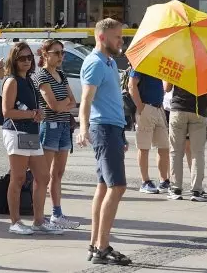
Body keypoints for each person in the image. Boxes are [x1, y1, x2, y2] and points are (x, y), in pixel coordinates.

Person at [77, 18, 132, 266]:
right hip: (104, 129)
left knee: (103, 186)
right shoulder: (96, 63)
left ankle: (95, 244)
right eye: (117, 37)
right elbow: (86, 100)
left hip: (112, 129)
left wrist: (120, 133)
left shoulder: (109, 62)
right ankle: (102, 247)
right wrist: (83, 129)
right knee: (117, 187)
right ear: (102, 37)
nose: (121, 40)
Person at [1, 42, 61, 235]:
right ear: (14, 60)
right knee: (17, 178)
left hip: (31, 132)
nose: (27, 61)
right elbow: (6, 112)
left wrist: (37, 114)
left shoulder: (30, 80)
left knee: (43, 176)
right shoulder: (12, 81)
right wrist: (32, 114)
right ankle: (15, 221)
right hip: (16, 131)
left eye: (29, 58)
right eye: (22, 58)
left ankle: (38, 220)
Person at [32, 40, 80, 230]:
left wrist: (64, 104)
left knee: (58, 173)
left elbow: (73, 102)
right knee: (43, 175)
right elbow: (53, 105)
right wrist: (64, 104)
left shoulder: (60, 74)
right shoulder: (41, 76)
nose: (61, 57)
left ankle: (56, 214)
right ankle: (39, 218)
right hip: (49, 126)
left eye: (62, 53)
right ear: (45, 54)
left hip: (63, 126)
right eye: (57, 53)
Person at [165, 80, 207, 202]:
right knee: (197, 153)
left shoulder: (178, 63)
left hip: (178, 110)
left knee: (175, 151)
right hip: (199, 111)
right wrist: (205, 107)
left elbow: (166, 88)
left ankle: (176, 189)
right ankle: (197, 191)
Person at [128, 67, 171, 194]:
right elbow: (132, 85)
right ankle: (145, 181)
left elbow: (165, 87)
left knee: (164, 146)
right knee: (144, 146)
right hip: (146, 106)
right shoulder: (141, 63)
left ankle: (164, 181)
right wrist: (140, 107)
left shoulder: (156, 64)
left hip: (158, 108)